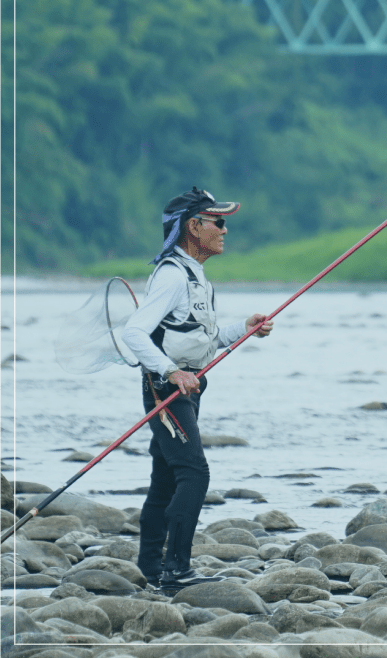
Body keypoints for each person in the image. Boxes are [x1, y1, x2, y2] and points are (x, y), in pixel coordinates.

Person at [122, 187, 274, 590]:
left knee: (166, 477)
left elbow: (199, 338)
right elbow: (134, 333)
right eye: (218, 222)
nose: (225, 230)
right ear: (194, 227)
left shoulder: (194, 275)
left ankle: (151, 568)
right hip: (166, 391)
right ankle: (176, 571)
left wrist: (244, 328)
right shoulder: (173, 275)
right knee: (194, 474)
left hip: (186, 388)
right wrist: (172, 373)